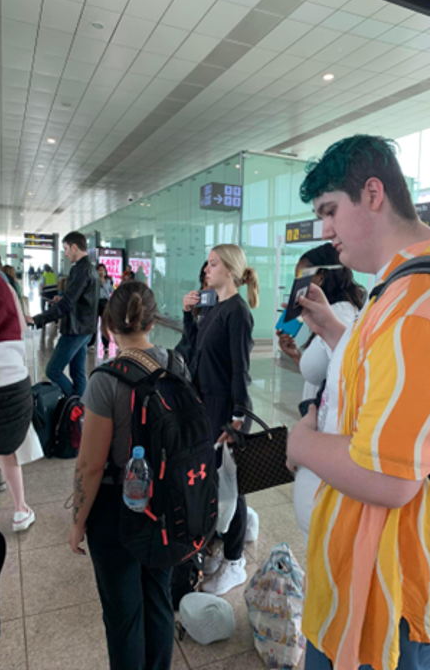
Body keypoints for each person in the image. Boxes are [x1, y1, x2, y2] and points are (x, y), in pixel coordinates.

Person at [285, 135, 430, 670]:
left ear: (373, 193)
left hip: (389, 605)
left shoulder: (417, 310)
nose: (324, 229)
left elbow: (390, 478)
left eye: (330, 210)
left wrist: (301, 444)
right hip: (384, 587)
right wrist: (336, 334)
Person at [68, 281, 174, 670]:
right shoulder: (176, 364)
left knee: (123, 615)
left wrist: (78, 522)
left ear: (108, 325)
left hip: (118, 508)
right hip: (167, 503)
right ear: (152, 320)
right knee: (158, 598)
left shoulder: (106, 379)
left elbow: (91, 465)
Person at [183, 244, 259, 596]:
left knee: (232, 486)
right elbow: (193, 351)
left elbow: (240, 371)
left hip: (226, 409)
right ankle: (221, 545)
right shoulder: (213, 306)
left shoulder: (238, 312)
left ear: (230, 270)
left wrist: (238, 418)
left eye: (213, 264)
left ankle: (235, 561)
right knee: (215, 482)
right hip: (205, 406)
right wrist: (189, 314)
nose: (206, 270)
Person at [278, 243, 365, 542]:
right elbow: (328, 368)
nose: (297, 283)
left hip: (328, 429)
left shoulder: (339, 310)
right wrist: (296, 354)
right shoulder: (349, 308)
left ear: (321, 279)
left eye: (302, 276)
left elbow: (314, 370)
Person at [26, 232, 99, 398]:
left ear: (74, 247)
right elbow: (78, 299)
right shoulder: (89, 268)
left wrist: (37, 319)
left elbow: (67, 305)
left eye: (66, 249)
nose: (65, 253)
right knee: (78, 373)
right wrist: (64, 298)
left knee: (53, 370)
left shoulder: (82, 270)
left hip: (75, 330)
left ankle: (72, 401)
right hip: (85, 329)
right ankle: (80, 409)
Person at [0, 274, 35, 531]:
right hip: (13, 383)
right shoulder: (5, 285)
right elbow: (21, 328)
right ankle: (20, 511)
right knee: (8, 451)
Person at [175, 261, 209, 364]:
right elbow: (190, 335)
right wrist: (187, 311)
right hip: (193, 361)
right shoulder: (199, 298)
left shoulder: (226, 305)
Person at [88, 264, 113, 355]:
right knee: (93, 323)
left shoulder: (108, 281)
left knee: (104, 325)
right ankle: (91, 343)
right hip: (95, 302)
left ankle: (106, 345)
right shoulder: (94, 280)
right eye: (99, 270)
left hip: (105, 302)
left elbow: (111, 291)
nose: (101, 272)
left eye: (102, 270)